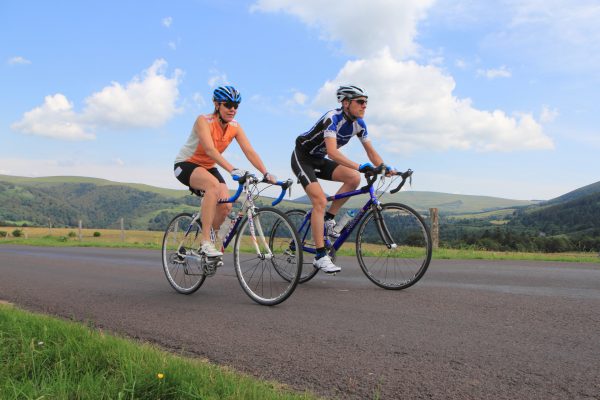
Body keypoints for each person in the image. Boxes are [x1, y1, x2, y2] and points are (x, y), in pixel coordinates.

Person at [291, 85, 394, 273]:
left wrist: (385, 168)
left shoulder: (359, 124)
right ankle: (320, 256)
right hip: (303, 158)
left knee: (354, 178)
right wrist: (359, 165)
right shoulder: (333, 118)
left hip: (319, 159)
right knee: (320, 201)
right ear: (346, 103)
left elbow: (371, 152)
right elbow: (332, 152)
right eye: (360, 102)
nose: (365, 106)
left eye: (366, 102)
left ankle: (329, 219)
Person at [174, 85, 277, 257]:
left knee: (225, 205)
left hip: (208, 167)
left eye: (236, 106)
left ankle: (209, 241)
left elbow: (249, 150)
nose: (233, 109)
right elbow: (210, 150)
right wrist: (232, 169)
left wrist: (265, 173)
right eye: (228, 104)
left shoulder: (235, 126)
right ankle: (205, 242)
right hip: (185, 164)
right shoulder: (204, 121)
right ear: (217, 105)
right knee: (212, 186)